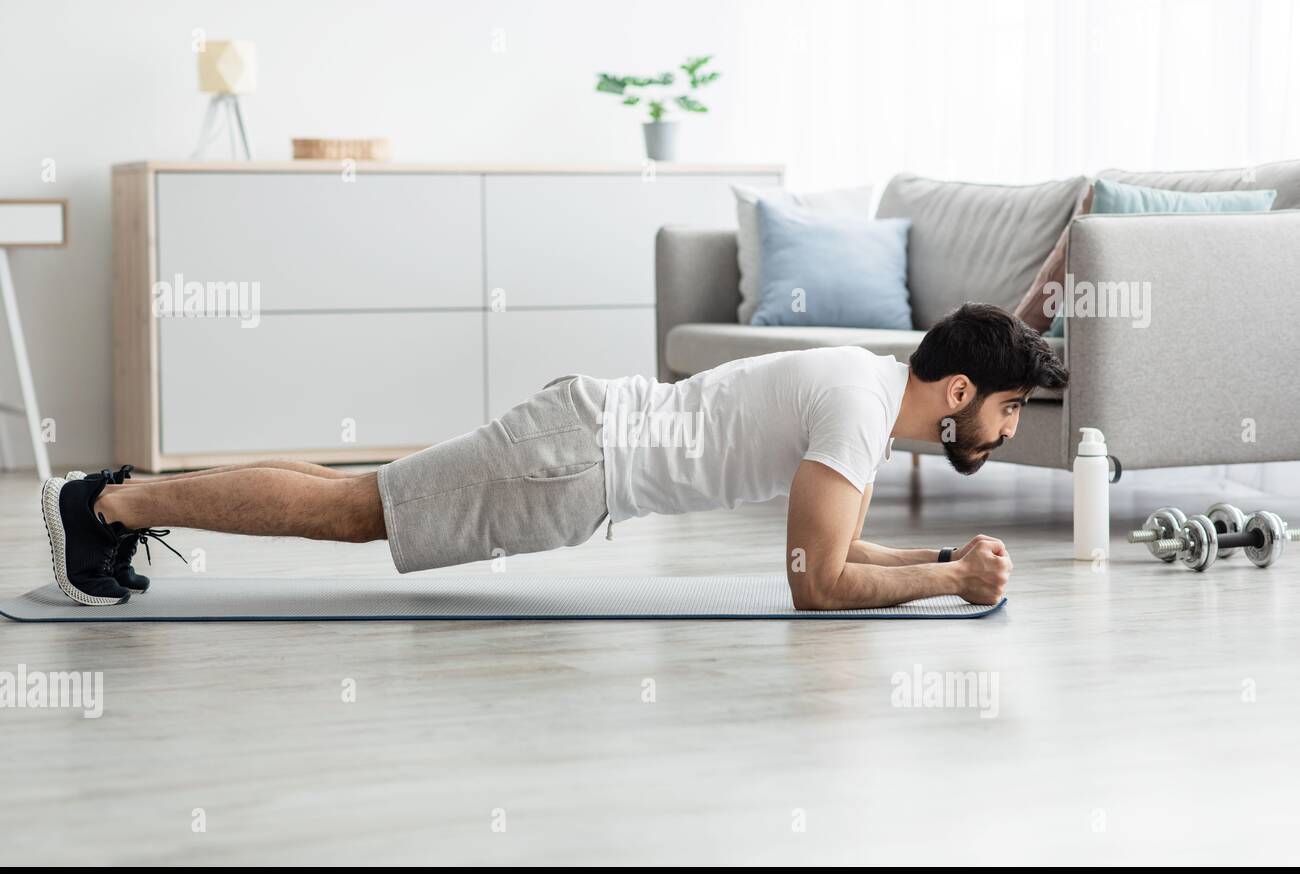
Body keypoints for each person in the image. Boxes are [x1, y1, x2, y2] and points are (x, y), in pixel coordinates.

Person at [41, 303, 1067, 609]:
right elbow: (814, 582)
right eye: (1012, 408)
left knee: (367, 497)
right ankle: (110, 505)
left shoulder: (863, 388)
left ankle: (124, 497)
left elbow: (833, 549)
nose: (1009, 430)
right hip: (577, 462)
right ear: (961, 391)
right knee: (363, 511)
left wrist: (935, 567)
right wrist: (947, 578)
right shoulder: (856, 407)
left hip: (580, 448)